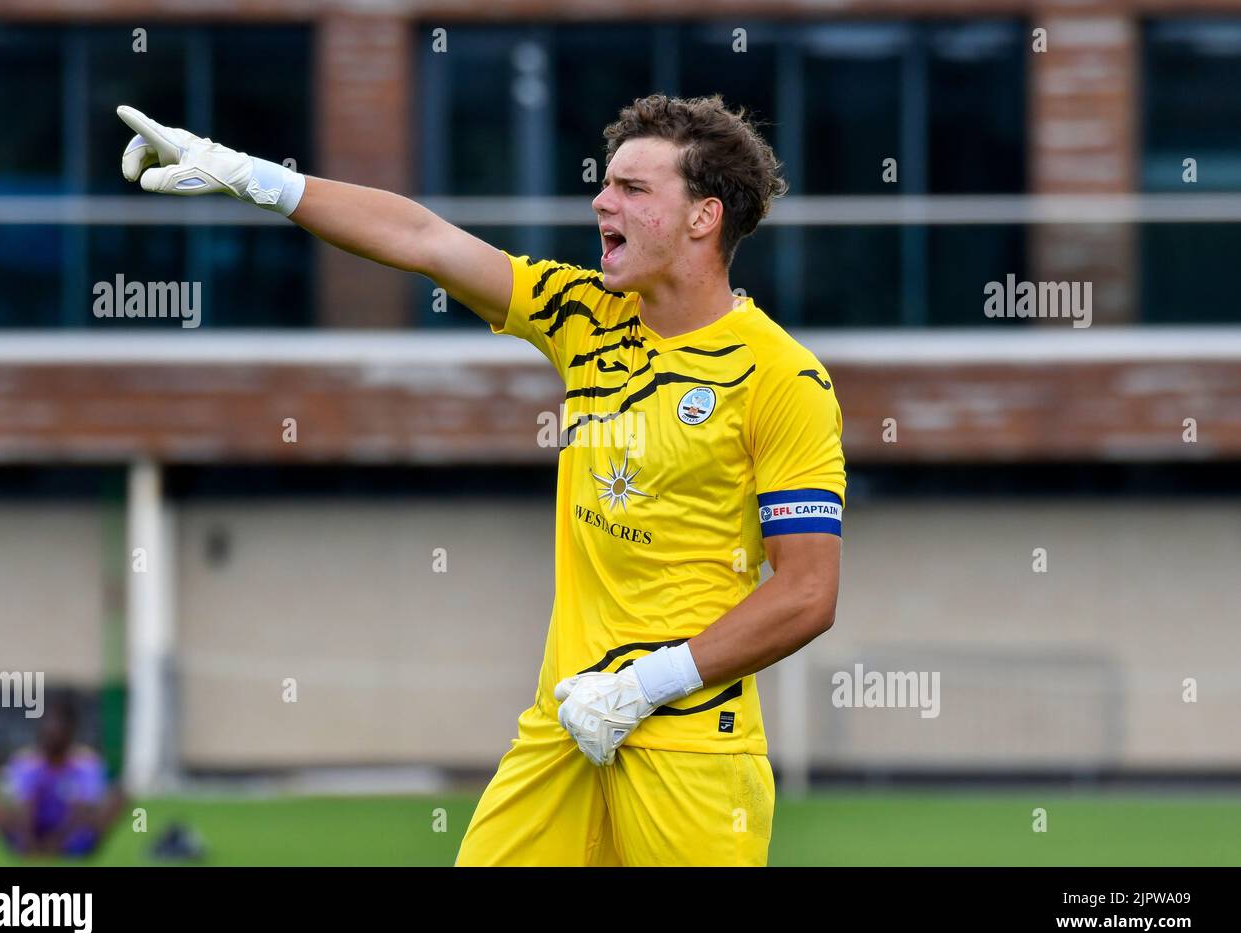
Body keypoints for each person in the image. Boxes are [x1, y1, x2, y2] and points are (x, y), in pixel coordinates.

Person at [115, 91, 845, 866]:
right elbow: (423, 238)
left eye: (634, 189)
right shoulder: (585, 314)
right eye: (606, 183)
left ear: (704, 217)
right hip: (566, 724)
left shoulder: (781, 377)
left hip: (692, 741)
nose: (602, 198)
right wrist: (249, 175)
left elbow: (805, 593)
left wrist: (642, 688)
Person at [0, 692, 125, 857]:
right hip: (31, 832)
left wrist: (56, 843)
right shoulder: (27, 763)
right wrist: (31, 843)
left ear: (70, 731)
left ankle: (72, 849)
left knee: (119, 794)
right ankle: (25, 847)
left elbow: (82, 812)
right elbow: (23, 808)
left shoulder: (85, 763)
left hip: (72, 835)